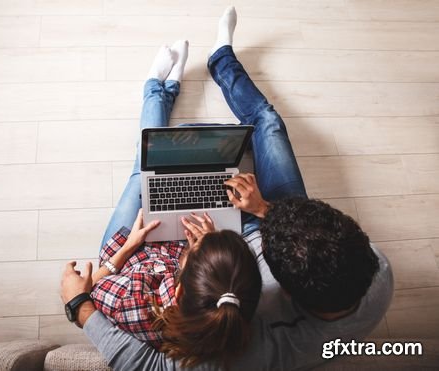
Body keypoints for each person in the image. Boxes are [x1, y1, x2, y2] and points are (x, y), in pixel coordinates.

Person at [60, 6, 393, 370]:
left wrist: (80, 308)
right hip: (265, 231)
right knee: (268, 123)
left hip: (207, 261)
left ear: (277, 286)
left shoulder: (247, 341)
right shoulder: (372, 268)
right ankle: (221, 59)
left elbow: (145, 362)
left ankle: (158, 89)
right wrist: (264, 208)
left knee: (144, 172)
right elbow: (314, 235)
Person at [66, 38, 263, 367]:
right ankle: (163, 89)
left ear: (179, 291)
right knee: (165, 167)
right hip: (168, 259)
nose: (195, 243)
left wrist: (127, 248)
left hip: (130, 257)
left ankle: (157, 87)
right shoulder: (236, 316)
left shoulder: (135, 307)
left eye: (195, 252)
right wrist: (207, 249)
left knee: (141, 171)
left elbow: (86, 290)